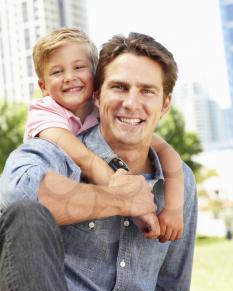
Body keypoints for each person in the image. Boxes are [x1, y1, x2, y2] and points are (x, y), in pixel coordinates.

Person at [0, 32, 232, 291]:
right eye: (119, 87)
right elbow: (13, 204)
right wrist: (118, 198)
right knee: (25, 214)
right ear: (97, 95)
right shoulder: (54, 147)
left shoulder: (178, 181)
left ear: (165, 104)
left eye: (147, 91)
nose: (131, 102)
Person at [24, 27, 184, 241]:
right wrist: (133, 200)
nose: (69, 77)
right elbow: (85, 159)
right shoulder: (44, 114)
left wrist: (173, 207)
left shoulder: (98, 107)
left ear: (93, 77)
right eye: (57, 72)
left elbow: (166, 151)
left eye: (79, 67)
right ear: (43, 86)